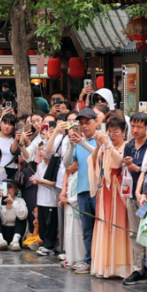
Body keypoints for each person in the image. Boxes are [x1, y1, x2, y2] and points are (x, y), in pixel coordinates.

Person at [88, 117, 133, 279]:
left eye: (116, 132)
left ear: (124, 132)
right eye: (110, 132)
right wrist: (99, 145)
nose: (112, 135)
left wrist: (106, 144)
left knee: (119, 226)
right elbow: (92, 161)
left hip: (119, 190)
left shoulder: (127, 145)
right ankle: (104, 266)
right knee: (105, 226)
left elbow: (118, 162)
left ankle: (121, 267)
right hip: (105, 190)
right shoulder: (105, 146)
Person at [62, 107, 98, 274]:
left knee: (100, 227)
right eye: (81, 123)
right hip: (83, 190)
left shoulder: (100, 139)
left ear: (95, 122)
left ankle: (99, 261)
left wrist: (82, 142)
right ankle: (89, 260)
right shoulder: (78, 143)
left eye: (87, 123)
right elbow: (67, 164)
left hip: (97, 190)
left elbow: (100, 155)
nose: (84, 126)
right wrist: (71, 145)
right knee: (87, 229)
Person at [121, 112, 147, 285]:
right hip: (131, 193)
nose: (135, 130)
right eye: (133, 126)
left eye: (139, 126)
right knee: (134, 232)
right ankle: (138, 268)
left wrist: (136, 167)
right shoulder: (130, 145)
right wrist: (126, 164)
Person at [0, 181, 28, 250]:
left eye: (10, 187)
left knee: (21, 216)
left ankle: (15, 242)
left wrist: (13, 202)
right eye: (5, 187)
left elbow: (23, 215)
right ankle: (1, 241)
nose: (7, 190)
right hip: (1, 232)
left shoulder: (20, 200)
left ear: (16, 189)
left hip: (15, 233)